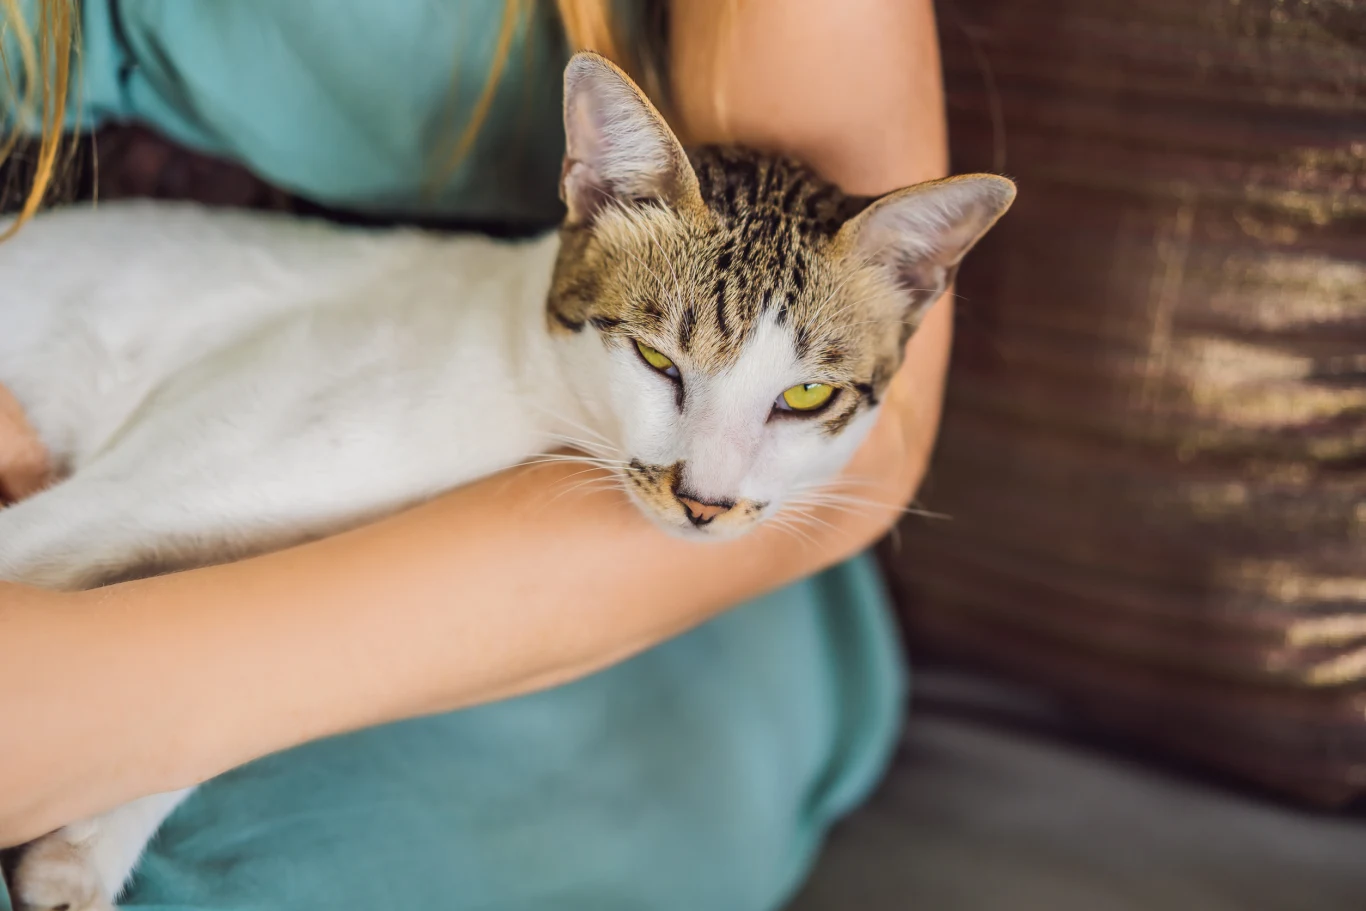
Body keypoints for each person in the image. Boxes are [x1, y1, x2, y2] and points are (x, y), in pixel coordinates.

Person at [0, 1, 953, 907]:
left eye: (804, 398)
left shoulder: (741, 389)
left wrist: (133, 725)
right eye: (662, 369)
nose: (705, 484)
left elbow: (883, 437)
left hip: (683, 604)